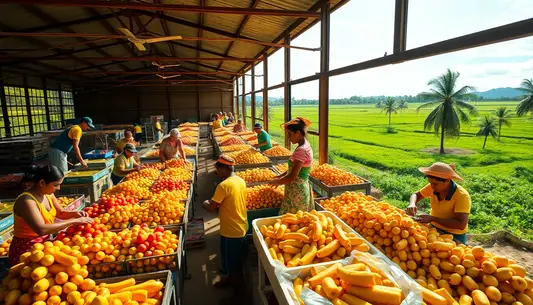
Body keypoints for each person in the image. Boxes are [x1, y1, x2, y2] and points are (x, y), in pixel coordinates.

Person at [9, 165, 93, 265]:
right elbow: (41, 229)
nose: (58, 188)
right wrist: (74, 221)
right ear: (41, 183)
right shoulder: (27, 201)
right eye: (56, 185)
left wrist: (76, 214)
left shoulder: (48, 194)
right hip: (28, 249)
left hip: (45, 245)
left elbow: (60, 213)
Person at [203, 156, 248, 296]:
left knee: (231, 261)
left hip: (230, 231)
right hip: (241, 226)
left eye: (218, 169)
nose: (217, 172)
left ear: (225, 168)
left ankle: (236, 291)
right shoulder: (241, 181)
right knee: (235, 259)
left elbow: (211, 207)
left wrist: (205, 203)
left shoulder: (223, 186)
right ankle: (230, 279)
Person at [405, 162, 471, 244]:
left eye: (435, 184)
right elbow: (416, 195)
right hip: (434, 229)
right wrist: (412, 204)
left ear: (447, 181)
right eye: (430, 183)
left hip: (454, 235)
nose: (432, 186)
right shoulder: (433, 187)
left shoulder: (462, 196)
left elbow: (460, 225)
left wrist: (432, 218)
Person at [270, 117, 314, 214]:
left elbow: (293, 176)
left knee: (292, 220)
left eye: (290, 135)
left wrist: (278, 182)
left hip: (297, 192)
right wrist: (281, 175)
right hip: (298, 188)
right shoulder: (305, 146)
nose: (289, 138)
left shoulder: (302, 150)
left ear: (298, 133)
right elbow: (295, 168)